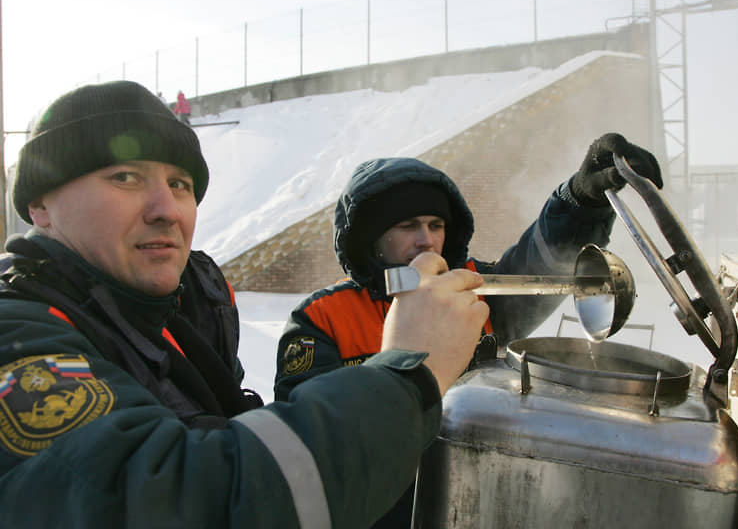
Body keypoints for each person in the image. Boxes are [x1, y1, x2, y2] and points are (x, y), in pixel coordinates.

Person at [0, 80, 489, 528]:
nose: (167, 210)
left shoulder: (179, 314)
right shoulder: (19, 336)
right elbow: (188, 500)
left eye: (180, 185)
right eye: (125, 177)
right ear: (39, 205)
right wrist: (402, 377)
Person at [274, 138, 663, 527]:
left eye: (435, 225)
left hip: (477, 506)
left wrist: (581, 201)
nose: (426, 239)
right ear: (373, 240)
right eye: (407, 226)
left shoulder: (476, 293)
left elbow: (541, 261)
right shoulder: (322, 318)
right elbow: (310, 453)